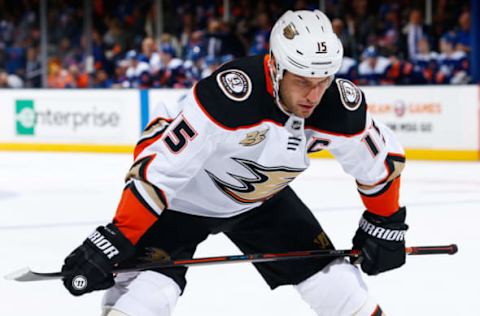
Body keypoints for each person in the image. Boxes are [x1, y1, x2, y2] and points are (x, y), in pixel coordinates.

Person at [61, 10, 407, 316]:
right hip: (181, 197)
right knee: (146, 298)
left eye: (323, 81)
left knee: (338, 286)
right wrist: (117, 236)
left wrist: (385, 222)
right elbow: (160, 172)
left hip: (261, 198)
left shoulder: (337, 106)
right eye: (302, 81)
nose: (313, 96)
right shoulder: (228, 98)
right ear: (275, 67)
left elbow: (378, 164)